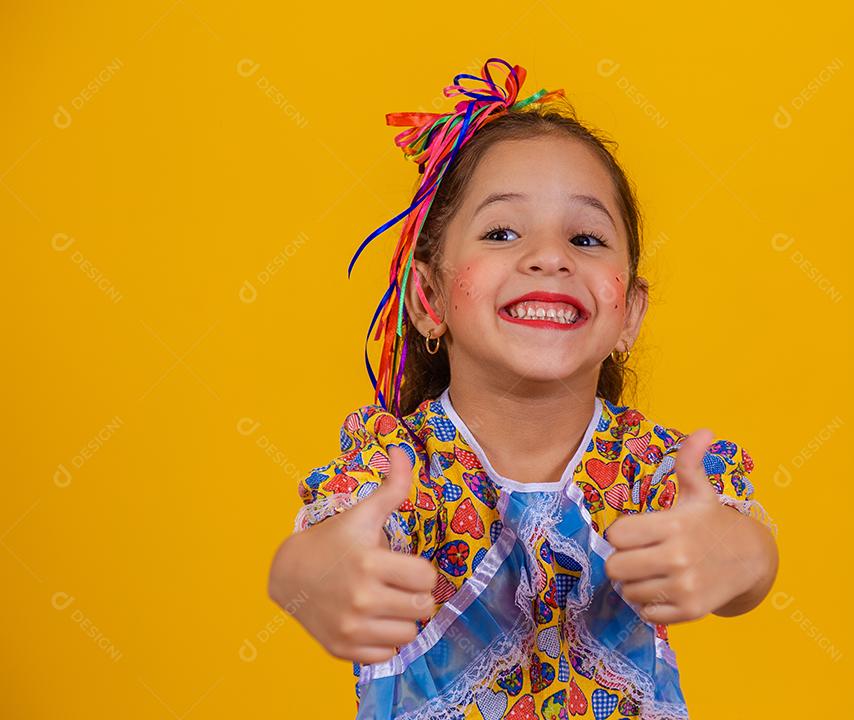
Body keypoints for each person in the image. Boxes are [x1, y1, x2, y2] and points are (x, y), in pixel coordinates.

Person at [268, 57, 779, 720]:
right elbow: (309, 557)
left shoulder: (649, 469)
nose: (549, 255)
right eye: (502, 232)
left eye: (587, 237)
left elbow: (746, 553)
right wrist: (313, 576)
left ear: (628, 315)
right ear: (427, 298)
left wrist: (734, 553)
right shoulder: (398, 463)